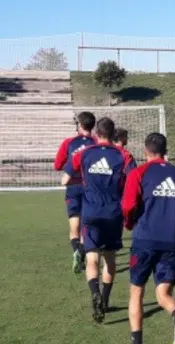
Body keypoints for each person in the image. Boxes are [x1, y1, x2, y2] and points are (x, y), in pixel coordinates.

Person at [121, 132, 175, 344]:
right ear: (166, 151)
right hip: (171, 242)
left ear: (146, 152)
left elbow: (127, 206)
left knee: (137, 292)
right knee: (163, 293)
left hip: (144, 241)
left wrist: (129, 224)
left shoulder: (138, 173)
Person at [61, 117, 133, 323]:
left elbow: (65, 178)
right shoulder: (123, 155)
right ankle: (105, 299)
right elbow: (133, 181)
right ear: (113, 134)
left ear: (97, 133)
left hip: (90, 212)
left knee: (92, 258)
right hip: (113, 213)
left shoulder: (84, 154)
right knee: (109, 259)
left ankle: (94, 293)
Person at [53, 111, 96, 274]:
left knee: (74, 225)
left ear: (79, 125)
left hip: (72, 186)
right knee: (86, 224)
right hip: (90, 187)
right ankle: (82, 252)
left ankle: (75, 251)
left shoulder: (69, 143)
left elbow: (57, 165)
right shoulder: (97, 143)